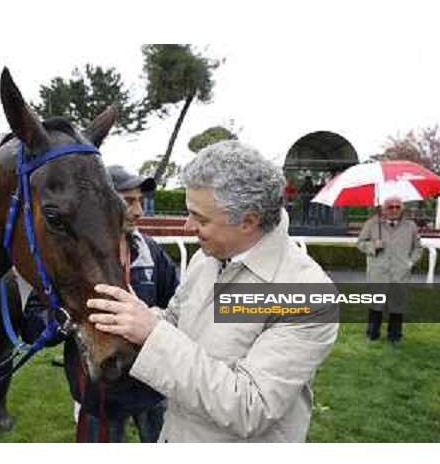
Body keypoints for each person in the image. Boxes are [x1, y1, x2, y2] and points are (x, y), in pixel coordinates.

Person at [86, 141, 339, 443]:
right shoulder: (206, 259)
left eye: (201, 218)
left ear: (248, 221)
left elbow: (249, 407)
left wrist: (152, 333)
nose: (187, 226)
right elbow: (175, 326)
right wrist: (129, 315)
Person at [22, 165, 179, 443]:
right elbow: (32, 327)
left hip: (153, 388)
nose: (139, 211)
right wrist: (65, 318)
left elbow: (179, 309)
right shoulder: (69, 257)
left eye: (140, 201)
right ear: (102, 203)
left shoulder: (152, 252)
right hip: (99, 397)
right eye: (129, 201)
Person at [357, 196, 423, 345]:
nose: (394, 210)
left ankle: (395, 336)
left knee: (397, 305)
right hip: (378, 272)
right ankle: (372, 334)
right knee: (376, 304)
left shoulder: (410, 226)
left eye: (397, 207)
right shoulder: (372, 224)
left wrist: (410, 262)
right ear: (383, 209)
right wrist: (373, 246)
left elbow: (418, 248)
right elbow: (360, 243)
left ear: (402, 209)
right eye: (390, 207)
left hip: (400, 272)